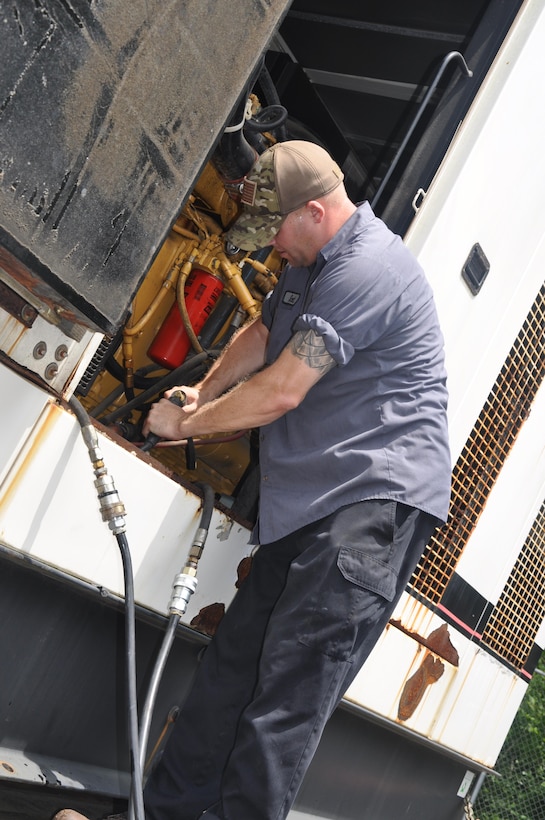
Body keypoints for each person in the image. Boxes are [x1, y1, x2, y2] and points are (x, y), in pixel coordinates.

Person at [55, 140, 451, 820]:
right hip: (312, 511)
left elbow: (280, 392)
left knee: (281, 709)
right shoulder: (314, 265)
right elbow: (263, 333)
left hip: (367, 513)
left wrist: (188, 427)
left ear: (316, 212)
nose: (270, 250)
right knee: (229, 678)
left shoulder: (368, 270)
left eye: (275, 233)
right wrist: (200, 389)